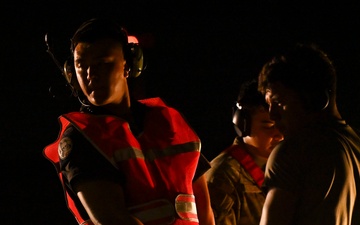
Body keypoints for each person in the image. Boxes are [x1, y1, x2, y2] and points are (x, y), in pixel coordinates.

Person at [43, 17, 215, 225]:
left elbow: (205, 213)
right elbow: (114, 220)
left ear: (129, 66)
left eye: (102, 63)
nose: (91, 75)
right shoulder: (83, 138)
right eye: (81, 66)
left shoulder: (170, 121)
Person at [257, 43, 360, 225]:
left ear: (315, 98)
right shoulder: (355, 146)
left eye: (279, 101)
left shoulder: (293, 151)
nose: (272, 115)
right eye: (269, 104)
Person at [205, 79, 283, 225]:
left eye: (281, 125)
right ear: (243, 124)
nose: (280, 135)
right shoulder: (222, 178)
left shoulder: (284, 170)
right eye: (269, 126)